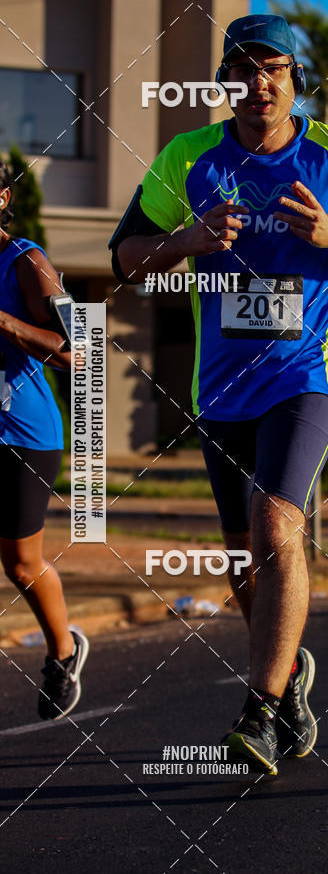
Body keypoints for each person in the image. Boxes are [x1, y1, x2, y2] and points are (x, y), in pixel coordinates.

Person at [110, 14, 328, 775]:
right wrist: (185, 242)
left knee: (276, 519)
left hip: (310, 372)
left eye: (271, 67)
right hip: (223, 389)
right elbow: (123, 258)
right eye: (241, 70)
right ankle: (290, 676)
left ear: (292, 79)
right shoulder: (189, 158)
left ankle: (260, 710)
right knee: (245, 557)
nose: (257, 83)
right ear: (225, 84)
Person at [0, 159, 89, 720]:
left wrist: (4, 322)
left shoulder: (26, 263)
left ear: (2, 198)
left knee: (20, 564)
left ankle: (62, 650)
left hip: (23, 434)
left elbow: (76, 349)